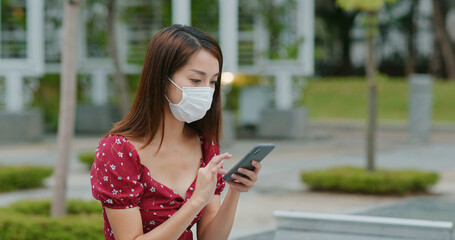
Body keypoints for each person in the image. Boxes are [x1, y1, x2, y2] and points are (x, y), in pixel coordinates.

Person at [90, 24, 262, 240]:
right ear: (162, 78)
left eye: (213, 81)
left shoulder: (204, 145)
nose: (207, 91)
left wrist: (235, 190)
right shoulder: (118, 151)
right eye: (196, 80)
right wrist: (197, 201)